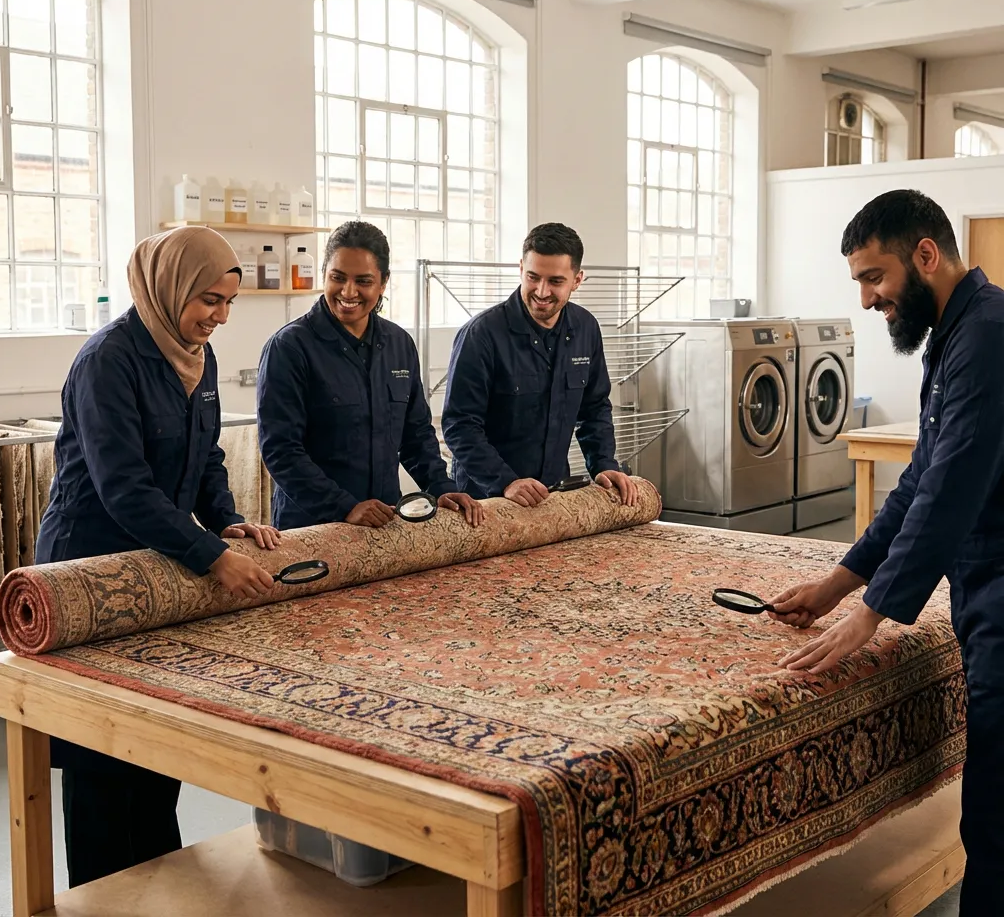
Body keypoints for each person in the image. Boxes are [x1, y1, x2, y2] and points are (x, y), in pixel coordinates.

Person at [767, 189, 1004, 914]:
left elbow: (950, 491)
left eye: (875, 277)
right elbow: (917, 483)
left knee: (996, 811)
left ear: (925, 254)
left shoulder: (989, 335)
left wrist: (871, 614)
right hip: (982, 577)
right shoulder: (956, 334)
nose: (868, 299)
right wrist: (838, 583)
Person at [36, 225, 281, 888]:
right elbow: (123, 486)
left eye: (228, 303)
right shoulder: (108, 361)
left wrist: (226, 521)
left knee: (153, 739)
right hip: (87, 569)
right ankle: (101, 895)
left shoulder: (196, 358)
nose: (219, 316)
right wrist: (211, 556)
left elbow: (206, 456)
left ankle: (158, 885)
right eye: (209, 300)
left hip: (155, 562)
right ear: (170, 287)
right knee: (99, 753)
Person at [257, 220, 482, 531]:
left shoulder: (399, 344)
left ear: (383, 282)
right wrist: (345, 507)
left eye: (363, 281)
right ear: (324, 273)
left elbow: (416, 435)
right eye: (337, 277)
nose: (348, 292)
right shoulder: (289, 348)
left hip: (385, 520)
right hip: (311, 526)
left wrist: (440, 487)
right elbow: (281, 451)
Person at [441, 222, 637, 508]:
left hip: (552, 495)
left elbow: (594, 408)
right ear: (521, 269)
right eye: (533, 277)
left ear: (577, 280)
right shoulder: (481, 335)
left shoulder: (585, 328)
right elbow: (460, 425)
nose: (542, 291)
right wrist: (505, 481)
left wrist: (604, 464)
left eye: (555, 281)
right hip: (485, 498)